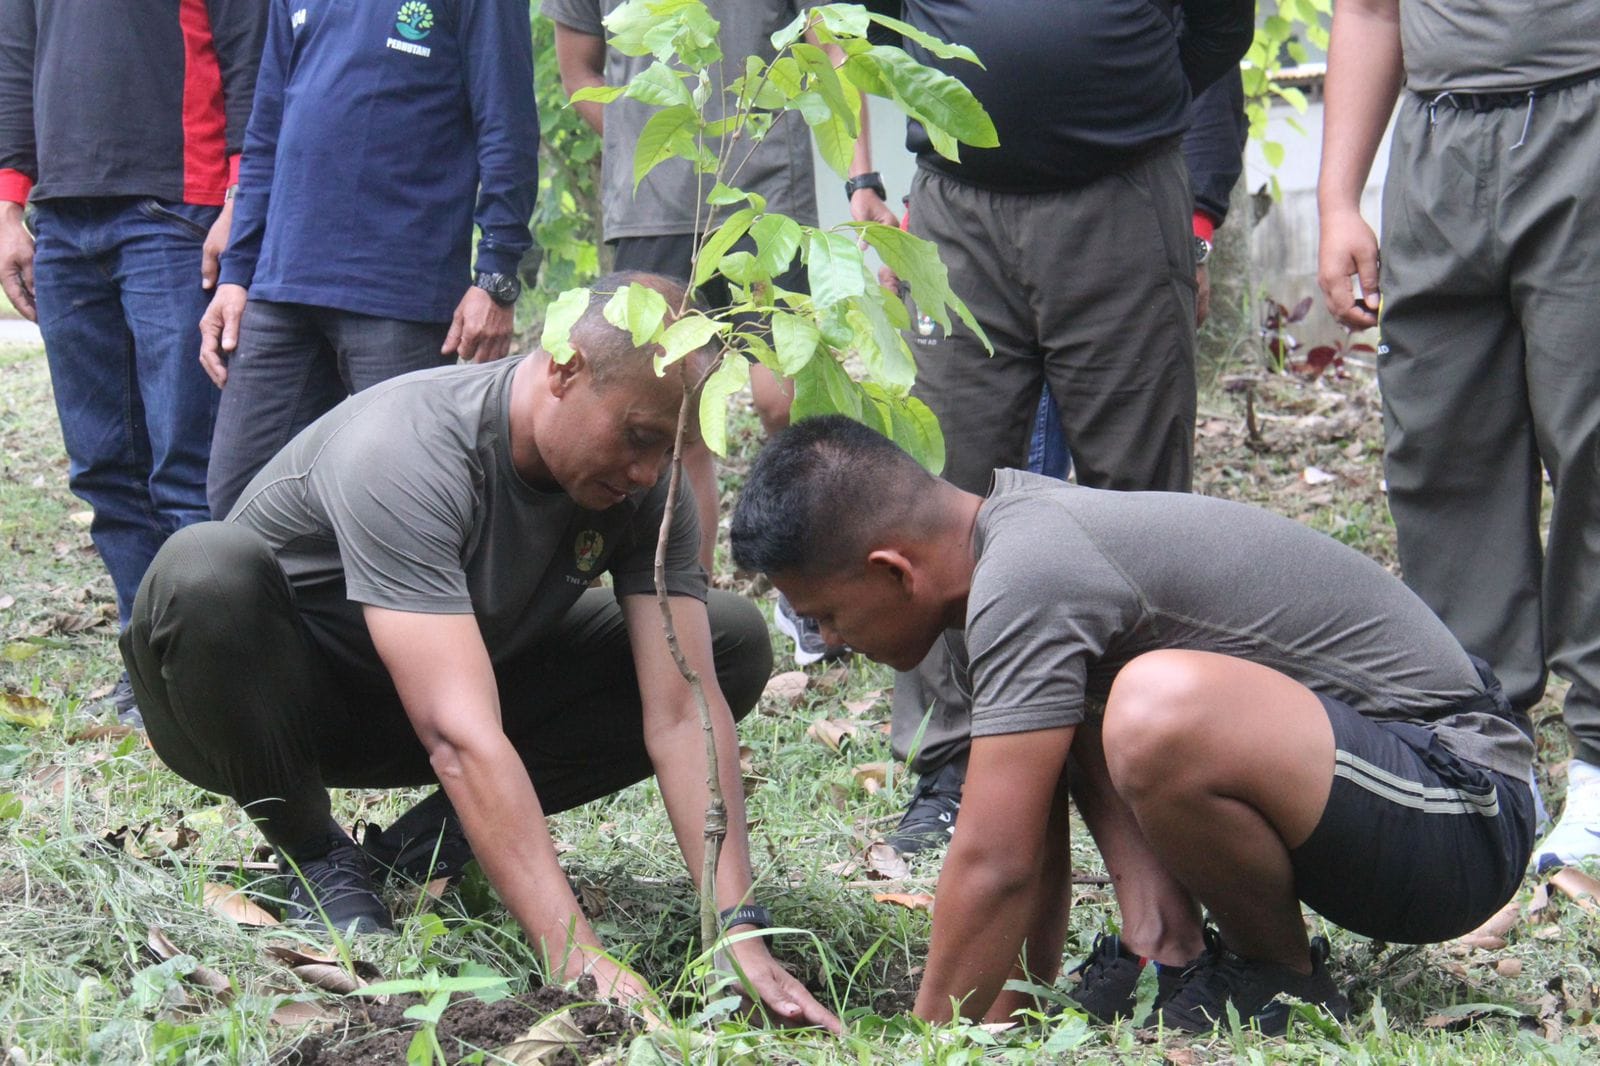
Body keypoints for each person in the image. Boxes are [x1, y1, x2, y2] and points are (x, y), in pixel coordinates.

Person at [121, 272, 838, 1029]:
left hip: (453, 691)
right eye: (637, 438)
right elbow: (458, 737)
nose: (648, 473)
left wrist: (738, 930)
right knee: (204, 569)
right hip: (268, 708)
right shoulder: (409, 448)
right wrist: (575, 955)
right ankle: (316, 853)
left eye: (672, 450)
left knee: (726, 642)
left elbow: (680, 708)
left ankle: (418, 852)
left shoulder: (642, 490)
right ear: (563, 370)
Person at [731, 416, 1535, 1030]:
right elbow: (1028, 853)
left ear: (891, 570)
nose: (832, 641)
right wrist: (996, 1020)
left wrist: (921, 1041)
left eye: (827, 615)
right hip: (1375, 796)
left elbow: (993, 863)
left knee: (1154, 707)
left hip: (1462, 808)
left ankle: (1276, 974)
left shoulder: (1028, 571)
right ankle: (1163, 945)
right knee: (1095, 702)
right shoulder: (1003, 567)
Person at [845, 1, 1253, 854]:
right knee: (945, 484)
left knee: (1138, 495)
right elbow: (870, 21)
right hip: (959, 211)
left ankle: (1139, 752)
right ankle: (951, 765)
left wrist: (1115, 99)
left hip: (1121, 201)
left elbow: (1219, 27)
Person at [1316, 0, 1600, 871]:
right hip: (1438, 138)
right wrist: (1337, 199)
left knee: (1592, 440)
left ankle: (1598, 763)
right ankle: (1481, 741)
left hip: (1583, 111)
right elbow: (1369, 9)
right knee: (1440, 440)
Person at [544, 0, 860, 666]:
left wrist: (857, 172)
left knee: (787, 401)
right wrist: (649, 148)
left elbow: (832, 44)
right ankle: (689, 607)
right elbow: (578, 74)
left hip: (765, 200)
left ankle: (803, 585)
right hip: (649, 214)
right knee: (669, 422)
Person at [0, 0, 266, 726]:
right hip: (60, 216)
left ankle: (217, 673)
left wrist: (242, 197)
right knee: (101, 466)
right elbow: (14, 55)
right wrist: (8, 206)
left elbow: (248, 48)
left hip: (177, 209)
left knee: (187, 463)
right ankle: (150, 669)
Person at [199, 0, 540, 519]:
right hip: (281, 285)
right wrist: (237, 274)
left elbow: (507, 126)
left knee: (396, 509)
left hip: (398, 295)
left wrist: (496, 275)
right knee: (237, 504)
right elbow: (266, 128)